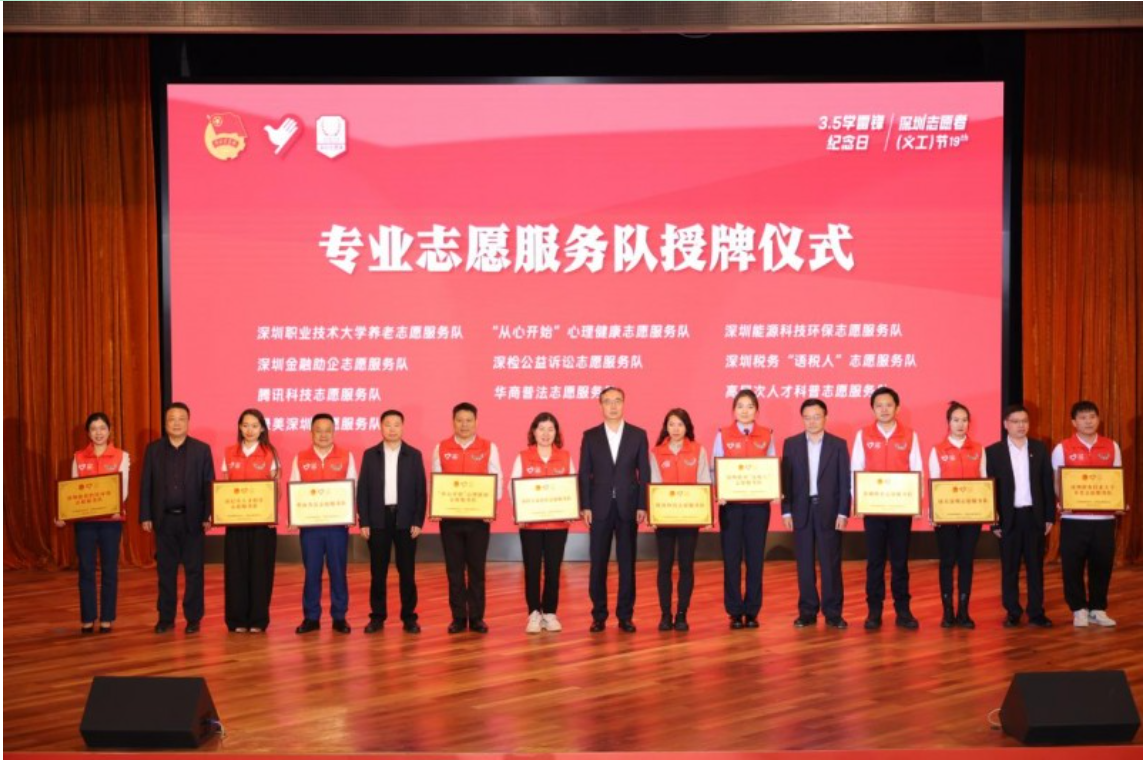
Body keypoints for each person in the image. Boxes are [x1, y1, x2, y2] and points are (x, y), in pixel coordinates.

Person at [850, 386, 923, 630]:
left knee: (900, 561)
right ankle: (874, 610)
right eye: (879, 405)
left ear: (897, 408)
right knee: (875, 562)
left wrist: (917, 502)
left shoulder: (910, 435)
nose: (884, 409)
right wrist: (857, 501)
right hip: (873, 508)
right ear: (872, 409)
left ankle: (903, 610)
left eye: (889, 405)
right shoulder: (863, 435)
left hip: (901, 509)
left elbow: (917, 469)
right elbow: (856, 469)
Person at [579, 386, 650, 633]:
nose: (612, 406)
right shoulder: (590, 436)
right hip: (598, 508)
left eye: (617, 401)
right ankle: (599, 615)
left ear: (624, 404)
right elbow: (584, 473)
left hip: (628, 507)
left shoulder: (638, 435)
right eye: (607, 401)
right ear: (600, 405)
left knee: (627, 564)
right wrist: (585, 505)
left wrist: (642, 504)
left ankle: (625, 616)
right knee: (598, 563)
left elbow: (644, 472)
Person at [140, 402, 215, 634]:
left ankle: (193, 618)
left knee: (194, 572)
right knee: (165, 572)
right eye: (171, 419)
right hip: (164, 521)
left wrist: (209, 514)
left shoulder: (201, 450)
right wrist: (145, 515)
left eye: (181, 419)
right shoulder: (153, 450)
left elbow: (209, 485)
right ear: (165, 423)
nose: (176, 423)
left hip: (192, 520)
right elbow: (146, 485)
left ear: (188, 422)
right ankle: (166, 618)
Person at [432, 402, 503, 635]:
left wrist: (490, 507)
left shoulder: (489, 447)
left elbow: (497, 479)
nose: (464, 425)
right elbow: (436, 480)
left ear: (476, 422)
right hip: (450, 519)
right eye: (460, 420)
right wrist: (437, 505)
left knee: (476, 570)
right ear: (453, 422)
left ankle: (477, 617)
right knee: (454, 571)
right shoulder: (441, 447)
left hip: (478, 519)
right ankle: (458, 617)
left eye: (469, 420)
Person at [55, 412, 130, 634]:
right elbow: (72, 492)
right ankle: (87, 619)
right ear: (88, 433)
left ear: (109, 431)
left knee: (109, 571)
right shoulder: (78, 457)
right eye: (94, 429)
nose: (98, 433)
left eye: (102, 428)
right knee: (86, 570)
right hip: (85, 523)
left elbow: (123, 489)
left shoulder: (122, 456)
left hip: (111, 522)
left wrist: (114, 506)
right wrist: (64, 514)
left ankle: (107, 619)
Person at [1052, 400, 1123, 628]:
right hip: (1074, 518)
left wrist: (1118, 502)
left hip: (1104, 519)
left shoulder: (1111, 446)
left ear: (1098, 419)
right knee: (1072, 565)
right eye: (1082, 418)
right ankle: (1078, 609)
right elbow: (1057, 482)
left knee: (1102, 564)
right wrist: (1063, 500)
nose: (1088, 421)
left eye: (1092, 416)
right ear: (1074, 422)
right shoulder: (1063, 448)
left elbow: (1116, 480)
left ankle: (1098, 608)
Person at [780, 399, 851, 630]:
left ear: (825, 418)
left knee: (831, 564)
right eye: (807, 417)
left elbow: (845, 481)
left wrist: (843, 512)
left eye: (817, 416)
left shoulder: (838, 444)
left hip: (829, 510)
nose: (812, 421)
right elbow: (785, 480)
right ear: (802, 419)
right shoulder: (791, 444)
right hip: (801, 510)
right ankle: (807, 611)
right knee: (804, 564)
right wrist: (786, 510)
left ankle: (833, 613)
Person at [984, 404, 1055, 628]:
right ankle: (1012, 612)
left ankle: (1036, 612)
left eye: (1024, 421)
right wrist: (993, 520)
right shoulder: (993, 452)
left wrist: (1049, 516)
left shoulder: (1039, 448)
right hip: (1008, 517)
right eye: (1015, 421)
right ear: (1006, 424)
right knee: (1010, 568)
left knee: (1036, 567)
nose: (1021, 425)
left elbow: (1047, 483)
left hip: (1034, 516)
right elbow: (989, 488)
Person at [358, 409, 426, 635]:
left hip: (405, 519)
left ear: (403, 427)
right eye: (388, 424)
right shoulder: (370, 455)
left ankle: (409, 617)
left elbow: (421, 491)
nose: (392, 429)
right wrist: (364, 520)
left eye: (397, 424)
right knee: (378, 572)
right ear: (381, 427)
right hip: (378, 519)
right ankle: (377, 617)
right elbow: (363, 490)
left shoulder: (413, 455)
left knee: (407, 572)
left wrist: (418, 520)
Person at [712, 389, 774, 629]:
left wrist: (773, 489)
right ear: (733, 410)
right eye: (740, 406)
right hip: (731, 507)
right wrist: (719, 492)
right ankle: (734, 611)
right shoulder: (723, 434)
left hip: (758, 507)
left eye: (750, 406)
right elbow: (715, 468)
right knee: (731, 558)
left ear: (756, 410)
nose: (745, 411)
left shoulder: (767, 434)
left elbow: (771, 466)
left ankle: (752, 610)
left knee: (755, 558)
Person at [291, 413, 357, 635]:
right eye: (318, 430)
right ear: (311, 433)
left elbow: (353, 487)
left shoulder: (346, 456)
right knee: (312, 572)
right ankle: (311, 617)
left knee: (338, 571)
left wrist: (350, 513)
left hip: (337, 526)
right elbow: (294, 487)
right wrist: (295, 517)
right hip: (310, 527)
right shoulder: (300, 457)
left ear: (334, 432)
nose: (323, 435)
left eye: (327, 430)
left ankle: (339, 616)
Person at [511, 412, 575, 634]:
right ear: (534, 431)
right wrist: (520, 512)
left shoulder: (565, 457)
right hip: (531, 526)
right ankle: (533, 614)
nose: (546, 434)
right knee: (532, 569)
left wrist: (571, 508)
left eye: (550, 429)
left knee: (553, 570)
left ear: (556, 433)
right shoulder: (523, 457)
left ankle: (549, 613)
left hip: (557, 526)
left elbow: (572, 488)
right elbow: (513, 487)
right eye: (541, 429)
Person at [649, 408, 711, 632]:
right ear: (665, 427)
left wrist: (706, 514)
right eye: (671, 424)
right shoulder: (656, 452)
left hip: (689, 517)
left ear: (687, 427)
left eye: (680, 424)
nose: (675, 429)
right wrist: (654, 514)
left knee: (686, 566)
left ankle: (682, 613)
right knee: (664, 566)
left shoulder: (698, 450)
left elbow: (704, 481)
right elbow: (654, 484)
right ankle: (665, 614)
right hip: (665, 518)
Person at [928, 401, 987, 629]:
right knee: (947, 561)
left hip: (971, 514)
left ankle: (964, 611)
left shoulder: (978, 449)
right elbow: (934, 482)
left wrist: (987, 508)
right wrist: (934, 512)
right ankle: (947, 612)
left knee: (966, 561)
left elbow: (984, 481)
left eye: (964, 420)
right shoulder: (938, 450)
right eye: (956, 420)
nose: (960, 424)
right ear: (948, 422)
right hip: (946, 515)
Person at [219, 408, 279, 633]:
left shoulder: (270, 453)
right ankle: (236, 619)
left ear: (262, 428)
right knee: (236, 572)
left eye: (254, 426)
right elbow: (224, 488)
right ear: (239, 427)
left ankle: (258, 619)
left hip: (262, 524)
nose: (249, 430)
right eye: (245, 425)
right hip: (236, 523)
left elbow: (275, 491)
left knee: (260, 572)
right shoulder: (229, 453)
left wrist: (270, 512)